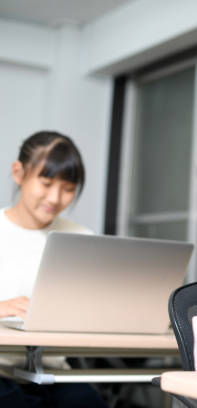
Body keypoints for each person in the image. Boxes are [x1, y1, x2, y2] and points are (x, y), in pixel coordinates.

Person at [0, 131, 107, 407]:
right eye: (46, 183)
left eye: (68, 189)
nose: (55, 198)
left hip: (54, 374)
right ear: (18, 173)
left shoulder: (82, 239)